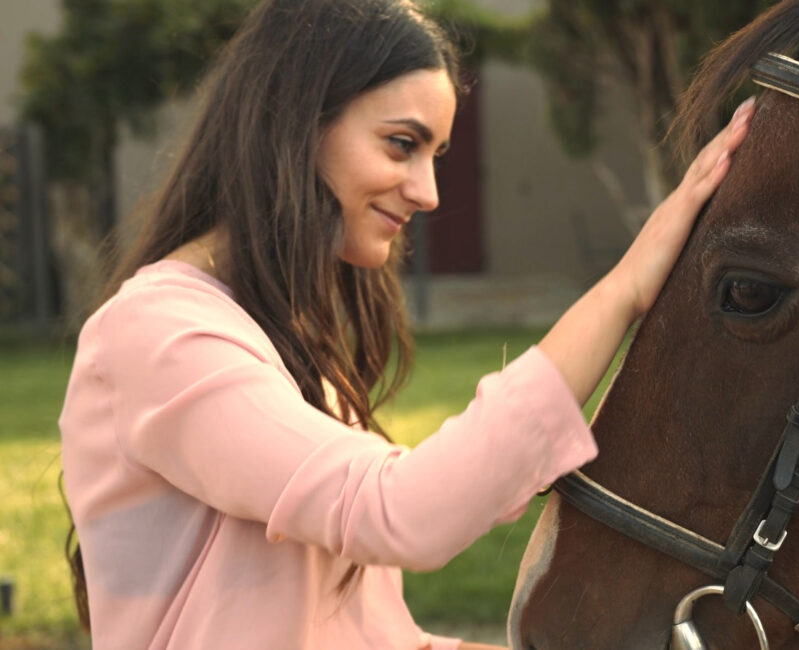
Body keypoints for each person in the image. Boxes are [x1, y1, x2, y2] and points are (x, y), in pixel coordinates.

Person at [56, 0, 755, 648]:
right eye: (400, 144)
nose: (427, 193)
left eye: (436, 155)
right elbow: (403, 512)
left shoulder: (282, 343)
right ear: (294, 122)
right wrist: (625, 289)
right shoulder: (157, 336)